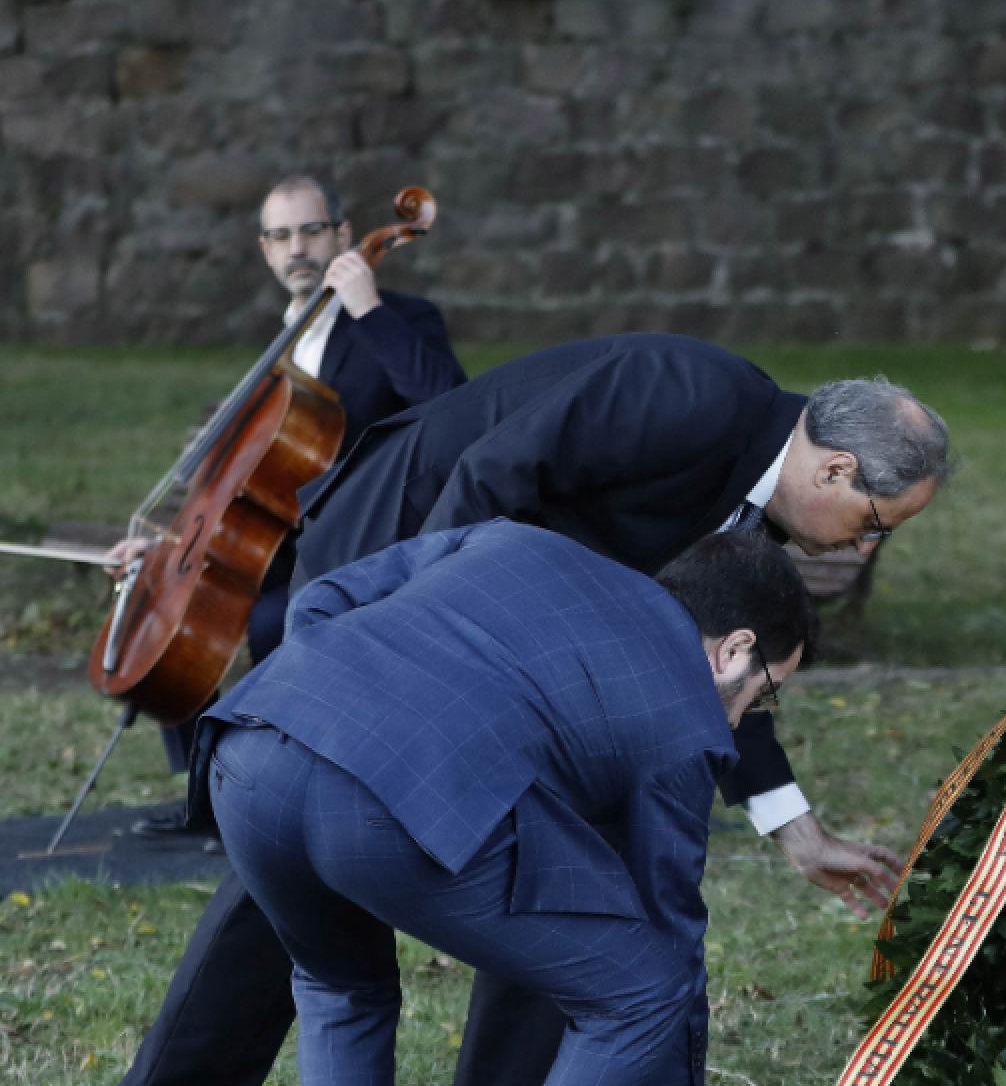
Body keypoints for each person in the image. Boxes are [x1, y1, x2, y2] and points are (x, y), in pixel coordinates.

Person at [123, 335, 953, 1086]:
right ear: (836, 469)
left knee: (569, 862)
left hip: (496, 617)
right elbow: (493, 472)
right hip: (402, 548)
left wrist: (793, 826)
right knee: (311, 847)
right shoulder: (694, 392)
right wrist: (424, 659)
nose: (864, 547)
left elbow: (712, 677)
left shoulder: (754, 528)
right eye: (875, 524)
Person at [201, 522, 817, 1085]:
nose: (741, 721)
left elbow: (327, 593)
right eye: (763, 696)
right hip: (391, 806)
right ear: (734, 649)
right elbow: (670, 929)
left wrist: (331, 706)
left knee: (341, 986)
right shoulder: (688, 718)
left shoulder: (513, 540)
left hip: (250, 746)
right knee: (645, 990)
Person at [130, 174, 465, 843]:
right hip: (281, 535)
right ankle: (209, 797)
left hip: (362, 540)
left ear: (343, 236)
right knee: (167, 610)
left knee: (268, 622)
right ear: (264, 250)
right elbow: (242, 473)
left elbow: (451, 404)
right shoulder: (277, 347)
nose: (298, 248)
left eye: (312, 230)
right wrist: (166, 540)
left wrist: (367, 308)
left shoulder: (400, 318)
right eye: (281, 236)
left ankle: (268, 800)